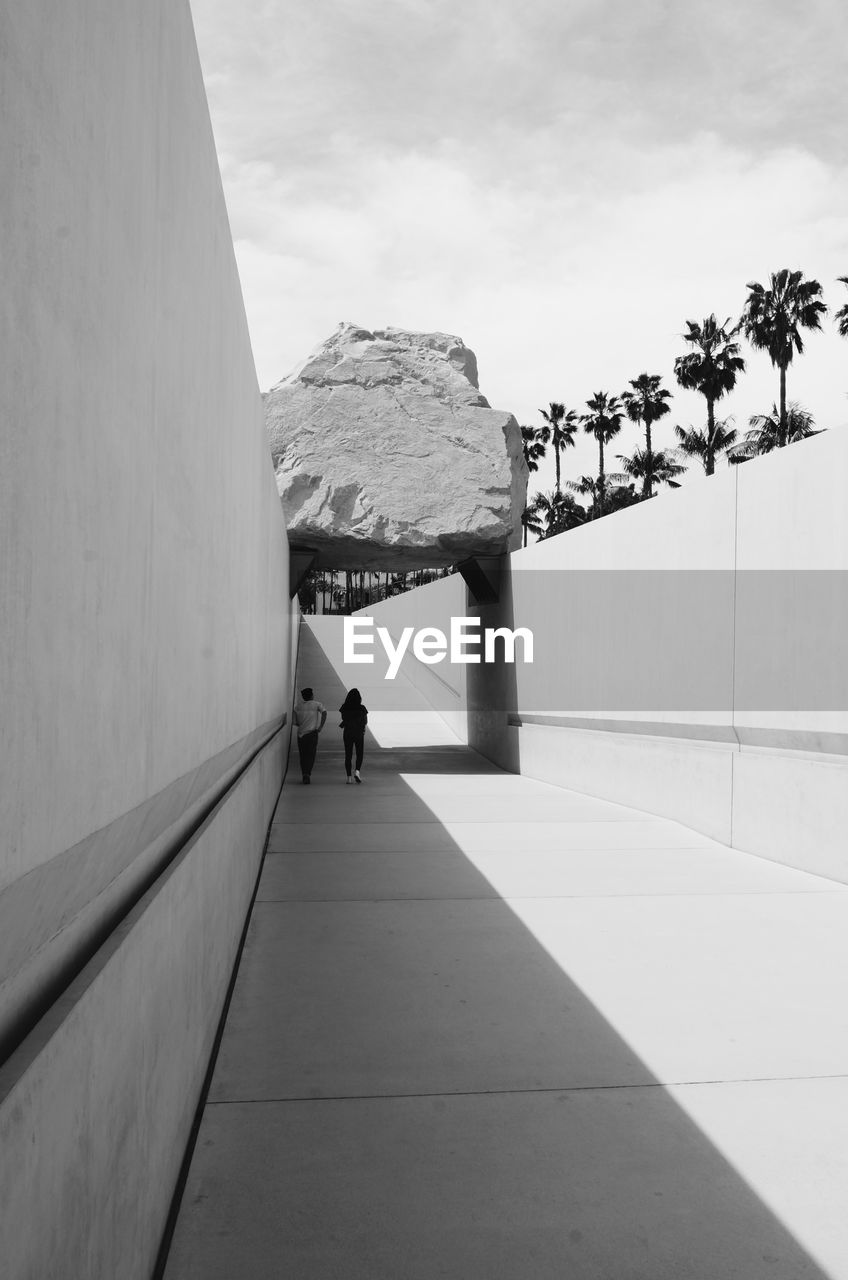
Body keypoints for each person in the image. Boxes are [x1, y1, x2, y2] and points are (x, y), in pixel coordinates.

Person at [293, 687, 327, 784]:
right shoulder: (317, 704)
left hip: (301, 735)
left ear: (303, 697)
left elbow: (295, 722)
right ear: (312, 695)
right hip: (312, 733)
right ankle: (307, 773)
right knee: (310, 754)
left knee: (302, 755)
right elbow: (324, 712)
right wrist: (320, 726)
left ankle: (304, 773)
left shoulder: (297, 707)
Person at [339, 687, 368, 784]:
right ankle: (357, 772)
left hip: (348, 733)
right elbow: (365, 721)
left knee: (348, 755)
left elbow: (343, 718)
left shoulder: (344, 707)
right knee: (359, 754)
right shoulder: (362, 708)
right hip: (359, 733)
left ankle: (348, 777)